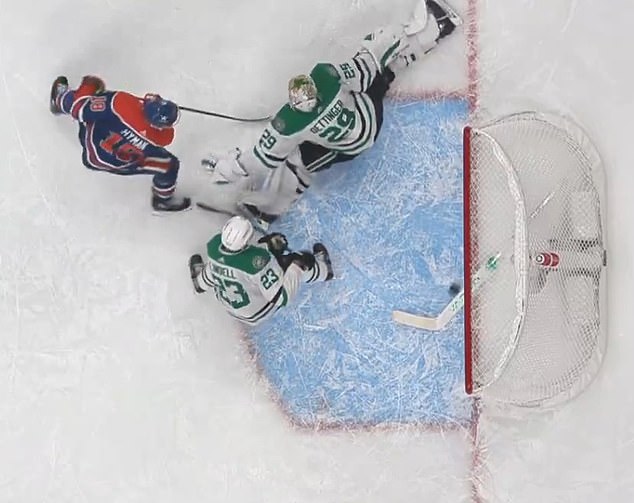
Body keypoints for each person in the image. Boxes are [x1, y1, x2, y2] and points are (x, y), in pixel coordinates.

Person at [201, 0, 461, 228]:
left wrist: (227, 168)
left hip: (349, 146)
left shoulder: (288, 124)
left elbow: (260, 158)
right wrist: (398, 35)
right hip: (368, 115)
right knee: (381, 73)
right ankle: (435, 29)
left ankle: (267, 213)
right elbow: (369, 59)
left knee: (298, 166)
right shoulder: (327, 78)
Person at [49, 75, 191, 212]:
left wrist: (89, 86)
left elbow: (79, 109)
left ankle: (60, 100)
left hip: (93, 148)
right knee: (169, 165)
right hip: (122, 164)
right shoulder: (162, 137)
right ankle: (163, 200)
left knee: (90, 102)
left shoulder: (120, 103)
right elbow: (153, 132)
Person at [188, 215, 334, 326]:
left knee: (219, 267)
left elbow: (224, 264)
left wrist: (268, 248)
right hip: (258, 311)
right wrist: (297, 266)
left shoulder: (214, 247)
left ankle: (200, 283)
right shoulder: (257, 264)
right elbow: (282, 298)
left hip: (231, 308)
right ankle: (324, 271)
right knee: (293, 262)